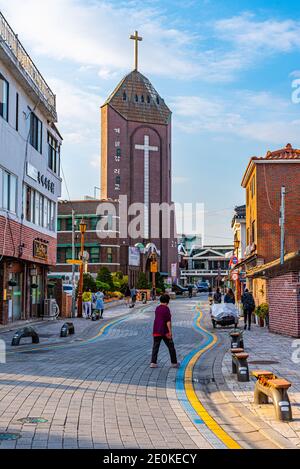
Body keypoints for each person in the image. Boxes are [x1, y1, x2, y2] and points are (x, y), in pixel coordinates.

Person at [150, 294, 179, 369]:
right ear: (167, 301)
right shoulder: (166, 309)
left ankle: (153, 363)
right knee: (171, 347)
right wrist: (170, 332)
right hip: (165, 331)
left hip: (156, 330)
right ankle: (174, 363)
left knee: (155, 347)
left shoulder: (157, 308)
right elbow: (168, 322)